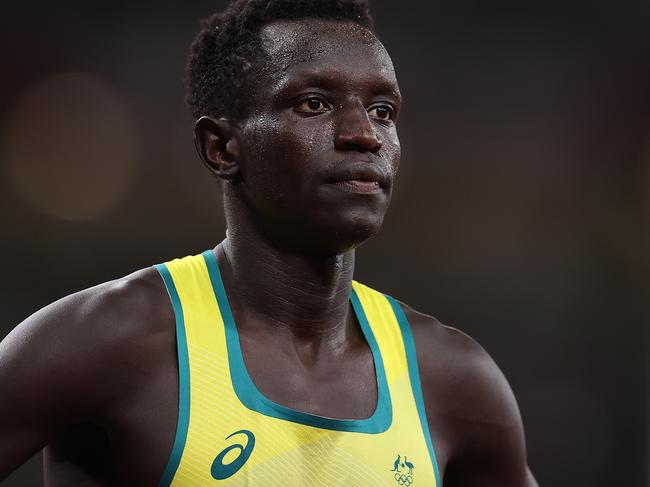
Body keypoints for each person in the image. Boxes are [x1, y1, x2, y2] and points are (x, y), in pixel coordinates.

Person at [0, 0, 539, 485]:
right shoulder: (108, 342)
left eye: (383, 111)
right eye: (314, 104)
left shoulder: (452, 382)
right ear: (221, 148)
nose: (365, 134)